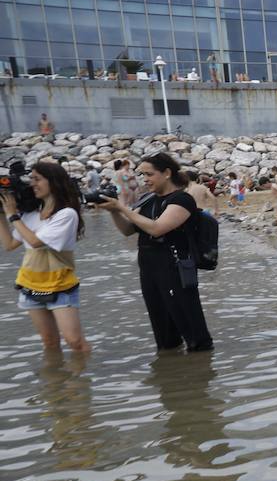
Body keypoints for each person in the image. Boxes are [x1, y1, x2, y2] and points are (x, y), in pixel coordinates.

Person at [97, 152, 213, 352]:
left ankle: (202, 363)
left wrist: (122, 207)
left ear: (167, 173)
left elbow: (157, 228)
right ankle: (173, 371)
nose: (145, 180)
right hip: (149, 267)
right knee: (163, 329)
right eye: (142, 175)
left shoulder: (182, 200)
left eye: (149, 174)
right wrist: (114, 211)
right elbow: (127, 230)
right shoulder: (147, 200)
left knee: (190, 324)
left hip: (175, 266)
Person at [0, 161, 91, 354]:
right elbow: (9, 244)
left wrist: (12, 215)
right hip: (31, 285)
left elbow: (35, 242)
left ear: (54, 182)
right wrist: (2, 213)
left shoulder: (66, 214)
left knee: (75, 342)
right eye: (31, 179)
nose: (32, 184)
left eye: (37, 179)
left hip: (60, 287)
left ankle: (82, 381)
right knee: (49, 343)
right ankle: (54, 383)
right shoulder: (31, 214)